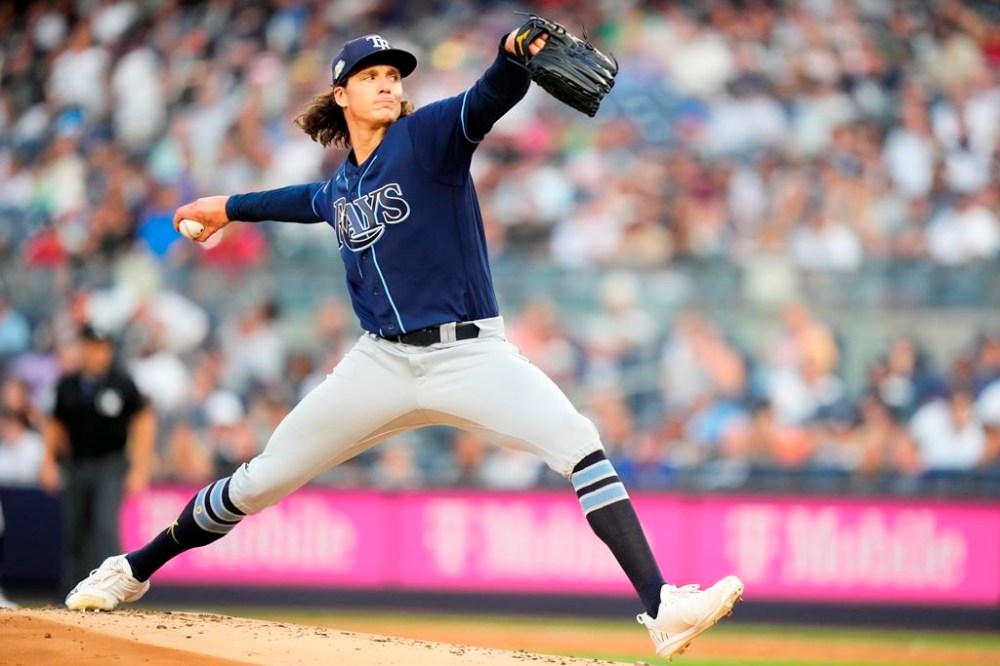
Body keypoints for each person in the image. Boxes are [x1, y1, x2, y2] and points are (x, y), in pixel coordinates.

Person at [64, 27, 743, 659]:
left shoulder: (428, 138)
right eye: (371, 75)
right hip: (380, 362)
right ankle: (132, 569)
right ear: (341, 94)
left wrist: (512, 54)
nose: (388, 82)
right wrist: (228, 206)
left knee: (578, 441)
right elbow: (301, 200)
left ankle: (662, 607)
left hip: (469, 355)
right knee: (262, 479)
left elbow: (488, 97)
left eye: (393, 74)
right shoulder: (343, 186)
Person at [40, 324, 155, 590]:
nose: (96, 354)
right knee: (74, 529)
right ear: (82, 349)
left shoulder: (121, 383)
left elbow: (143, 421)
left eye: (101, 348)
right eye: (91, 347)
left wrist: (140, 467)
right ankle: (73, 590)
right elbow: (55, 424)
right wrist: (48, 462)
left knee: (104, 527)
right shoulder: (68, 385)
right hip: (76, 464)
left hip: (110, 465)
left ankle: (111, 588)